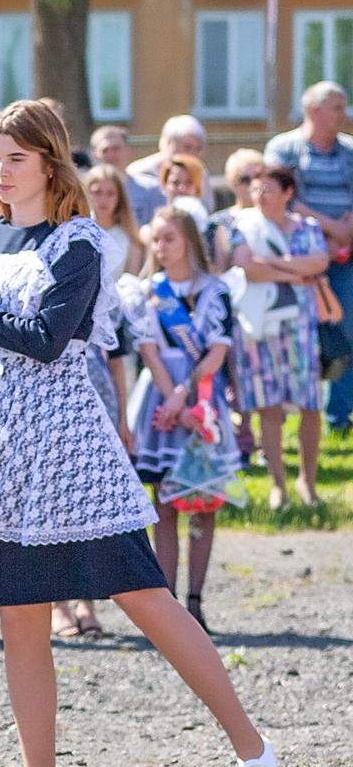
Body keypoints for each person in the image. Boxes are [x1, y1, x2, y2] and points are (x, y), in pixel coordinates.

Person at [0, 100, 285, 767]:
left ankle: (254, 751)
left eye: (15, 157)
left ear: (51, 162)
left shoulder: (80, 243)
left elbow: (48, 338)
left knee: (145, 596)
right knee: (21, 616)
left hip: (69, 445)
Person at [120, 208, 238, 629]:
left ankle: (195, 599)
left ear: (188, 239)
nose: (160, 247)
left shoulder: (216, 291)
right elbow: (148, 350)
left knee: (204, 501)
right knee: (166, 502)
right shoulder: (148, 292)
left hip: (200, 400)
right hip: (159, 399)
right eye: (156, 239)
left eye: (169, 238)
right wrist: (171, 401)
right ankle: (167, 604)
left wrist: (184, 397)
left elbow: (217, 351)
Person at [226, 162, 330, 510]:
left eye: (267, 188)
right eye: (255, 188)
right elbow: (248, 268)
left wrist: (276, 264)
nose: (259, 195)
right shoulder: (245, 225)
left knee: (310, 404)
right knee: (268, 406)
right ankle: (279, 487)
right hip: (260, 328)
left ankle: (308, 482)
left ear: (288, 193)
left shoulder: (308, 227)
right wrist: (293, 270)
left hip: (300, 328)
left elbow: (318, 262)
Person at [263, 79, 353, 434]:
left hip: (345, 259)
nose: (345, 115)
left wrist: (344, 240)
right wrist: (328, 232)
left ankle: (338, 417)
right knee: (295, 335)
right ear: (314, 110)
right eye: (337, 107)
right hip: (295, 261)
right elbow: (281, 198)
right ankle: (288, 414)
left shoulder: (350, 151)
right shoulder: (283, 149)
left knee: (346, 331)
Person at [126, 113, 208, 202]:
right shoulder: (139, 171)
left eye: (198, 149)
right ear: (168, 143)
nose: (192, 154)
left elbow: (208, 207)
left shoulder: (200, 173)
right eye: (187, 147)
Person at [92, 124, 162, 221]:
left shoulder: (151, 189)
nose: (111, 155)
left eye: (116, 148)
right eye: (105, 150)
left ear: (128, 149)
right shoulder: (85, 191)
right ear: (95, 154)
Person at [85, 165, 144, 279]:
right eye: (97, 192)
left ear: (119, 197)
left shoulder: (130, 238)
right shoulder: (75, 232)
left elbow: (130, 283)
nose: (104, 199)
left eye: (110, 193)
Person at [159, 152, 213, 231]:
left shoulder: (212, 231)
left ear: (198, 189)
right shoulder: (154, 230)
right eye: (175, 183)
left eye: (189, 183)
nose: (182, 188)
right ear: (164, 186)